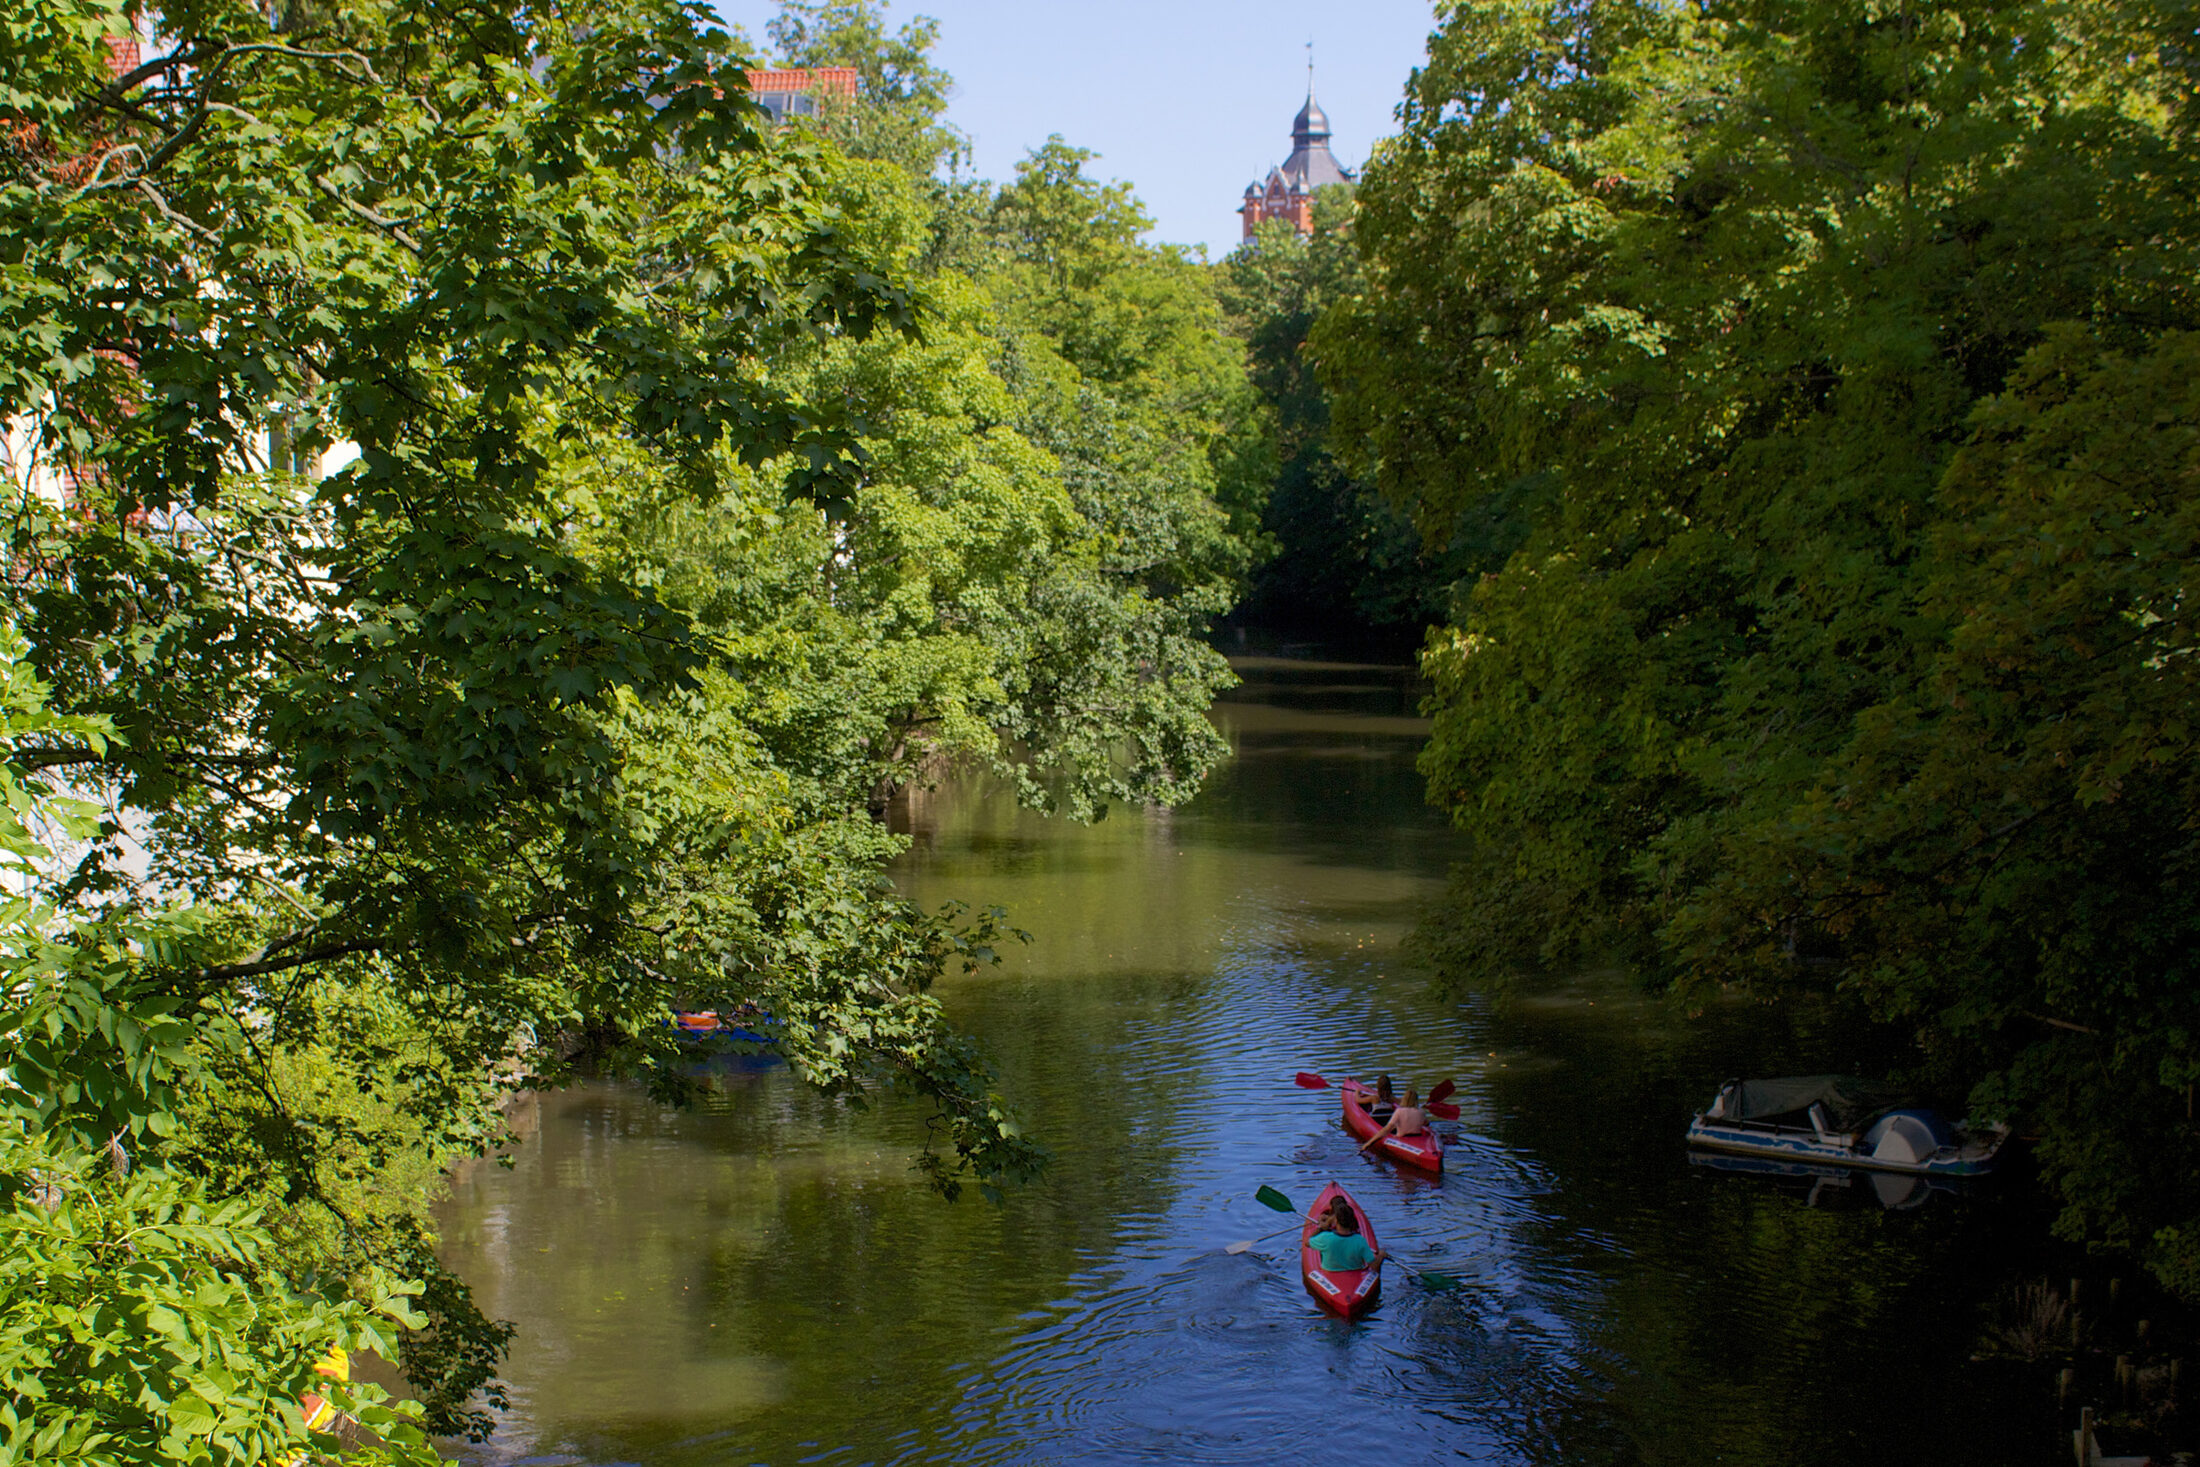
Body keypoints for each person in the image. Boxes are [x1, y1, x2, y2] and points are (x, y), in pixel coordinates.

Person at [1307, 1197, 1383, 1272]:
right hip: (1355, 1275)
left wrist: (1320, 1228)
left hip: (1330, 1273)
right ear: (1352, 1221)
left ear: (1336, 1221)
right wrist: (1381, 1256)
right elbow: (1374, 1266)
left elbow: (1307, 1243)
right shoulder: (1360, 1240)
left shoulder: (1324, 1237)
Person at [1358, 1086, 1427, 1154]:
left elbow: (1386, 1129)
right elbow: (1426, 1123)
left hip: (1402, 1138)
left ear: (1404, 1099)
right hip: (1417, 1139)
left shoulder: (1399, 1111)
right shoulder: (1422, 1112)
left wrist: (1368, 1143)